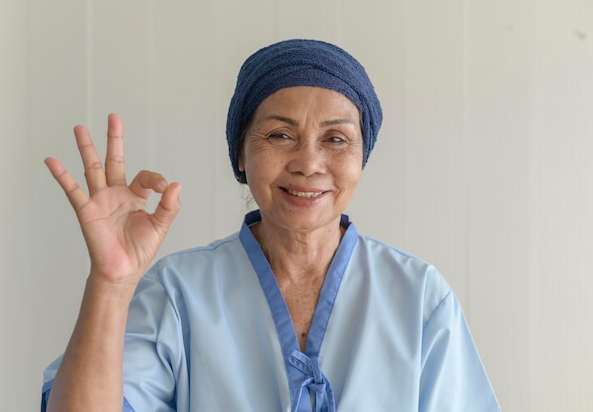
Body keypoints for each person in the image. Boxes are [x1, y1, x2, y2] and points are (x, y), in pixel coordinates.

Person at [41, 39, 501, 412]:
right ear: (241, 154)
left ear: (362, 158)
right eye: (280, 135)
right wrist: (111, 282)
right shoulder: (177, 295)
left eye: (336, 139)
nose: (308, 163)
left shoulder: (419, 297)